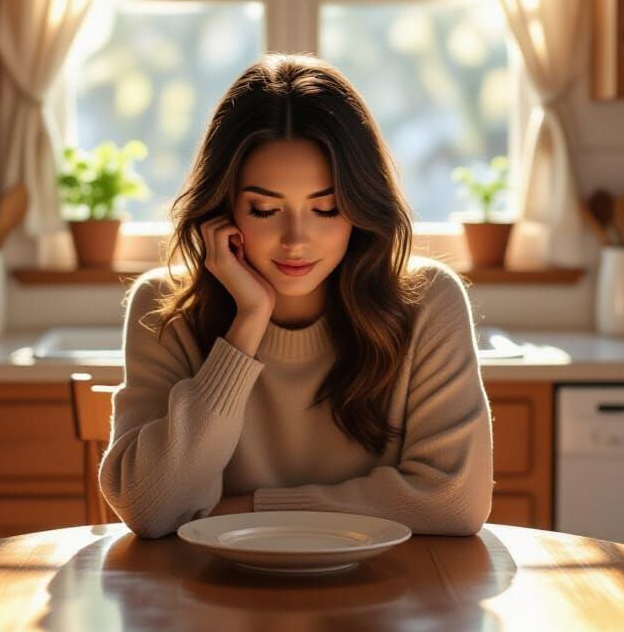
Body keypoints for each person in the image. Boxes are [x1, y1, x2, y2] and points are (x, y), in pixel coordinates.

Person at [100, 53, 494, 539]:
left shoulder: (428, 302)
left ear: (358, 208)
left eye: (326, 209)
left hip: (385, 601)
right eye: (265, 209)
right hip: (212, 600)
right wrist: (247, 323)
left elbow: (453, 502)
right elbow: (151, 508)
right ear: (223, 211)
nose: (295, 240)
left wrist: (248, 510)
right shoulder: (164, 307)